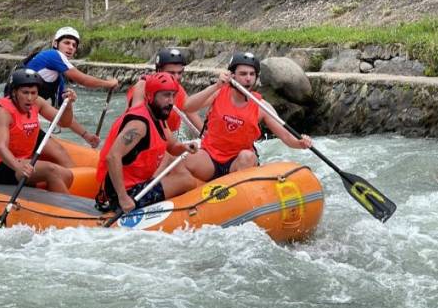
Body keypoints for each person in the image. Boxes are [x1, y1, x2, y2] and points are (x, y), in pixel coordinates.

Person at [183, 52, 312, 181]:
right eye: (243, 74)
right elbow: (188, 107)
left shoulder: (262, 106)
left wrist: (299, 143)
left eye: (252, 74)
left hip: (238, 162)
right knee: (187, 159)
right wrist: (216, 86)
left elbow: (286, 136)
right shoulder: (218, 92)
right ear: (232, 76)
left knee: (247, 156)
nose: (248, 78)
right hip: (210, 157)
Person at [8, 27, 118, 166]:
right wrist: (109, 83)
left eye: (74, 45)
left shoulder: (58, 80)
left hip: (26, 120)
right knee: (60, 153)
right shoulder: (52, 55)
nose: (71, 47)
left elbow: (62, 118)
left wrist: (85, 135)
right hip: (11, 118)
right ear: (55, 44)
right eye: (66, 42)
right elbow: (82, 79)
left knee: (59, 152)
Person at [96, 72, 198, 213]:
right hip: (126, 194)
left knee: (175, 164)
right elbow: (112, 157)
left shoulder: (159, 117)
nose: (171, 102)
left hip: (139, 183)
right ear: (150, 96)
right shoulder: (139, 124)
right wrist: (123, 198)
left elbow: (173, 147)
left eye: (173, 95)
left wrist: (185, 147)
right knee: (187, 181)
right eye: (165, 95)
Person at [0, 69, 76, 193]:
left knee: (67, 175)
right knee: (51, 170)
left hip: (24, 161)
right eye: (25, 93)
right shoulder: (2, 112)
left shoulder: (37, 102)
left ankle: (54, 201)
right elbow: (1, 148)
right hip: (0, 166)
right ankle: (64, 210)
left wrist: (69, 106)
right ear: (14, 92)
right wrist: (18, 166)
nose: (30, 98)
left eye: (33, 93)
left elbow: (64, 123)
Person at [127, 48, 203, 134]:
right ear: (159, 71)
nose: (176, 77)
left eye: (180, 73)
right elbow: (137, 119)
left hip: (171, 136)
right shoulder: (142, 87)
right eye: (171, 73)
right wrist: (174, 145)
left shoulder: (177, 88)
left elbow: (189, 109)